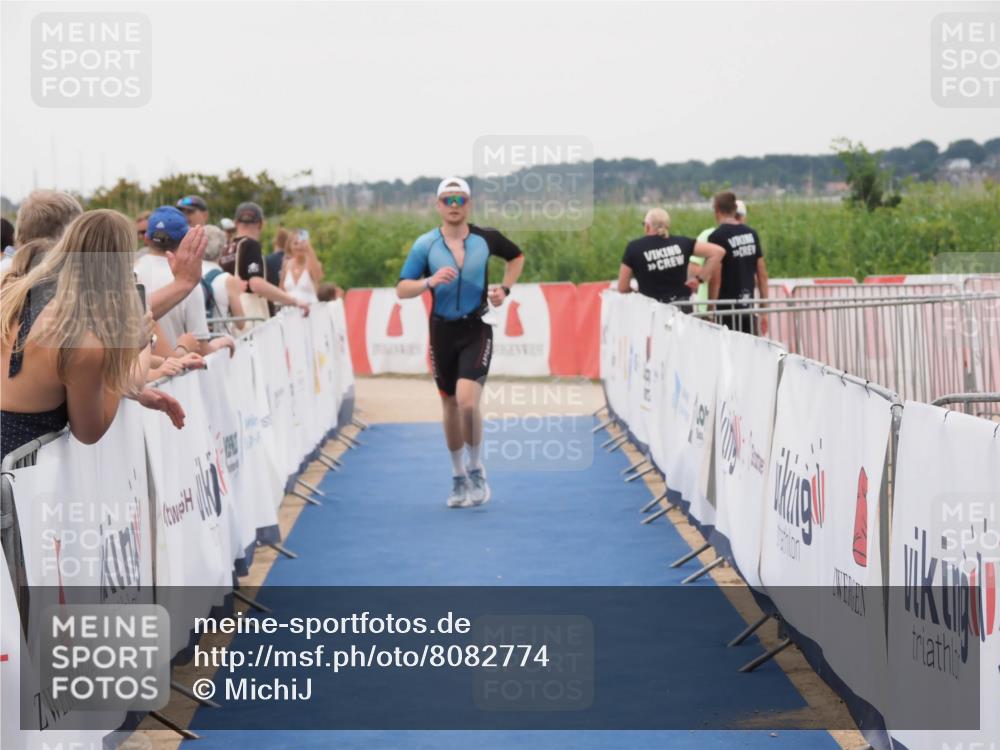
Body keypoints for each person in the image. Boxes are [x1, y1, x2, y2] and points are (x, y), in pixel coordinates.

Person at [396, 177, 525, 509]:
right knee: (450, 405)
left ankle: (476, 467)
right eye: (448, 200)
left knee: (468, 401)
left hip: (477, 328)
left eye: (460, 200)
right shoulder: (426, 244)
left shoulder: (486, 238)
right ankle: (457, 476)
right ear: (438, 205)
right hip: (441, 332)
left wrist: (505, 289)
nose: (454, 206)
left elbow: (517, 257)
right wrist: (429, 281)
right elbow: (402, 288)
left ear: (469, 204)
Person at [0, 210, 156, 459]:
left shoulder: (10, 293)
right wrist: (129, 348)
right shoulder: (82, 341)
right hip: (19, 482)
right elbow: (90, 431)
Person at [136, 206, 235, 356]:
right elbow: (200, 347)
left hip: (139, 375)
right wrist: (222, 342)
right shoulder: (189, 280)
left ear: (146, 238)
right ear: (185, 239)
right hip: (176, 373)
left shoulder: (129, 274)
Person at [220, 202, 310, 321]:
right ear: (261, 224)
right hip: (250, 318)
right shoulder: (250, 245)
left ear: (236, 223)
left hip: (229, 316)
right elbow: (256, 284)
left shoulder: (226, 249)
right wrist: (293, 301)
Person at [617, 208, 724, 307]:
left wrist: (637, 294)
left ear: (647, 226)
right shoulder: (683, 243)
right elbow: (718, 252)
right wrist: (700, 279)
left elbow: (622, 287)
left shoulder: (634, 248)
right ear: (667, 226)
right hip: (682, 311)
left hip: (651, 311)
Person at [707, 191, 769, 335]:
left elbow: (716, 278)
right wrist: (764, 309)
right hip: (748, 308)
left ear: (716, 210)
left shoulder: (717, 237)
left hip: (726, 311)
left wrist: (711, 310)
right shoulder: (751, 234)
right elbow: (762, 274)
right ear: (735, 209)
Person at [201, 224, 246, 326]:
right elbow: (240, 323)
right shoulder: (227, 279)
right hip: (219, 337)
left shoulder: (188, 275)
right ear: (222, 248)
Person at [281, 230, 323, 304]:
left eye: (302, 243)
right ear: (290, 246)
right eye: (295, 243)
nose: (299, 247)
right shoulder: (286, 264)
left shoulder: (313, 263)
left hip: (310, 308)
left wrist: (309, 249)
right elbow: (281, 289)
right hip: (289, 310)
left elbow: (318, 277)